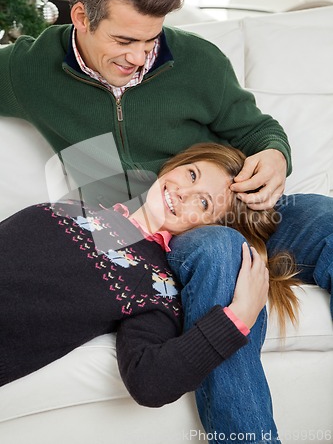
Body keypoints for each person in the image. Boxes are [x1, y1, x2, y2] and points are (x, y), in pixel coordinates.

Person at [0, 0, 332, 442]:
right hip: (158, 234)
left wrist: (274, 154)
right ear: (81, 16)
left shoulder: (197, 60)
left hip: (230, 203)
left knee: (326, 219)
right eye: (124, 40)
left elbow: (256, 129)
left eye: (151, 41)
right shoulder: (32, 69)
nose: (139, 57)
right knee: (219, 251)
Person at [1, 143, 297, 435]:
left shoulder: (157, 283)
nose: (184, 192)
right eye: (192, 174)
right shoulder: (78, 207)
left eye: (204, 203)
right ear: (176, 164)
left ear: (209, 228)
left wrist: (238, 318)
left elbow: (149, 382)